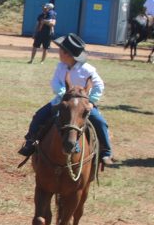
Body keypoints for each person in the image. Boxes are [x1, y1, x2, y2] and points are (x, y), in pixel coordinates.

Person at [18, 33, 113, 166]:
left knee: (100, 122)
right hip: (62, 102)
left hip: (82, 105)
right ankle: (30, 142)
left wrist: (91, 101)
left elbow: (99, 86)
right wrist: (63, 92)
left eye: (60, 50)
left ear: (67, 54)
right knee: (39, 116)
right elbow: (55, 82)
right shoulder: (60, 66)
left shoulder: (87, 70)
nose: (58, 52)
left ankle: (106, 152)